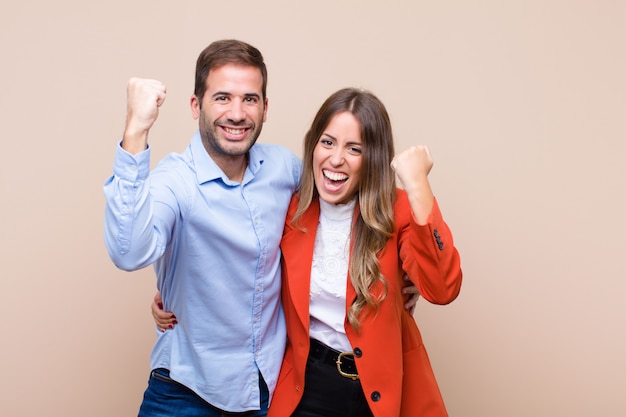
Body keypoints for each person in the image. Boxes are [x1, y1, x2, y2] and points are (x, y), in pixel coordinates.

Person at [154, 88, 462, 416]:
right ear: (313, 145)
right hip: (307, 386)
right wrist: (174, 295)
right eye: (327, 142)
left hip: (384, 392)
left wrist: (418, 185)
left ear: (372, 157)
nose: (336, 159)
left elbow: (442, 289)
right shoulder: (293, 209)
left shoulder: (397, 210)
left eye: (354, 148)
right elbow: (240, 262)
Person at [103, 39, 301, 416]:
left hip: (269, 388)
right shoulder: (175, 181)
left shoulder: (284, 168)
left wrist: (396, 271)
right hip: (186, 391)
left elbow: (340, 217)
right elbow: (128, 252)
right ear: (197, 106)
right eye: (222, 98)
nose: (238, 113)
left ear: (265, 108)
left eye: (250, 99)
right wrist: (136, 130)